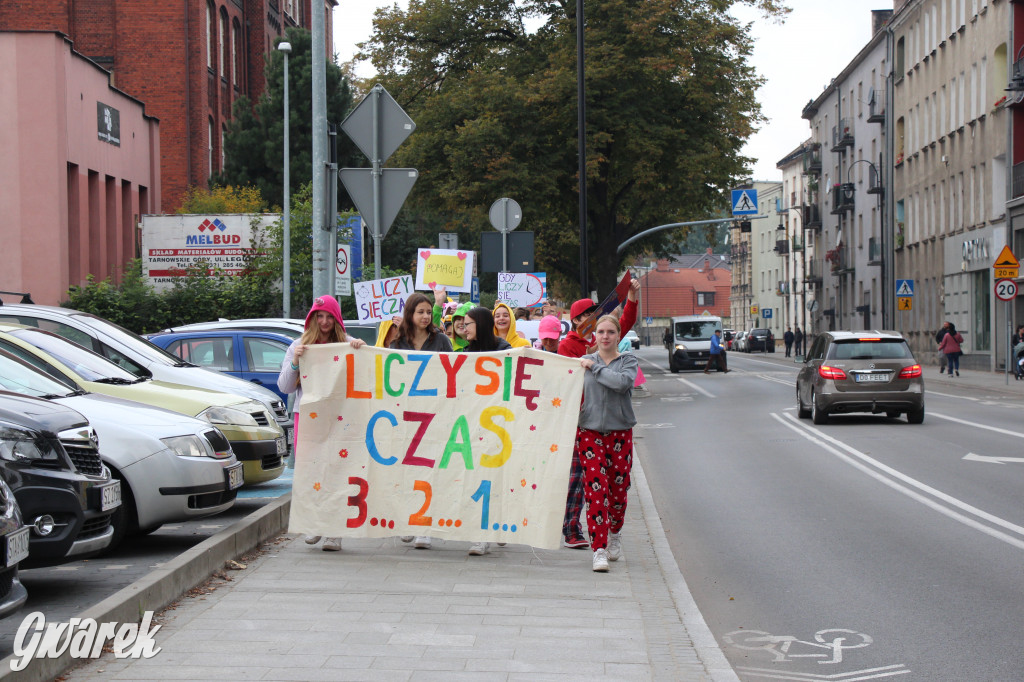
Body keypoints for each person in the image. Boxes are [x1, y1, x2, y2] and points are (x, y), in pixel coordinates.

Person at [277, 296, 366, 552]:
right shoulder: (298, 345)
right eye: (320, 316)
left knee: (337, 471)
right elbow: (284, 386)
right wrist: (295, 362)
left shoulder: (347, 343)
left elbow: (363, 377)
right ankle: (315, 523)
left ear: (337, 319)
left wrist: (361, 350)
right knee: (311, 472)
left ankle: (334, 531)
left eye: (329, 317)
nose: (325, 322)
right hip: (308, 418)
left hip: (340, 418)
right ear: (312, 318)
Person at [556, 279, 639, 549]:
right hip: (583, 422)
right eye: (589, 315)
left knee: (615, 487)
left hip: (615, 425)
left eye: (596, 314)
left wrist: (632, 298)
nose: (596, 323)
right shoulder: (569, 345)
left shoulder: (605, 340)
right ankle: (574, 530)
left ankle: (611, 531)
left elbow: (624, 322)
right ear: (577, 320)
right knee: (582, 481)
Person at [576, 315, 638, 572]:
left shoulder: (628, 361)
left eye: (610, 332)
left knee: (618, 491)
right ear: (595, 334)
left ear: (618, 335)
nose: (605, 336)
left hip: (620, 432)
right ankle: (598, 549)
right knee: (596, 491)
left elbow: (621, 384)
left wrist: (595, 368)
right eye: (601, 331)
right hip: (589, 432)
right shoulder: (584, 361)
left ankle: (615, 532)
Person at [390, 293, 453, 550]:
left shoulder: (441, 341)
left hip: (434, 414)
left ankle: (424, 526)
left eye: (429, 312)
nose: (426, 316)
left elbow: (453, 372)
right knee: (406, 470)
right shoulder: (396, 344)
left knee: (429, 469)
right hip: (405, 416)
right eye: (421, 312)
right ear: (410, 314)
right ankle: (408, 520)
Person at [460, 306, 512, 557]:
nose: (463, 329)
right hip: (472, 426)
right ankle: (480, 534)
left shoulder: (504, 350)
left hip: (498, 426)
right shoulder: (464, 354)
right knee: (476, 479)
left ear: (480, 324)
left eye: (468, 324)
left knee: (495, 478)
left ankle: (495, 525)